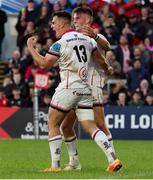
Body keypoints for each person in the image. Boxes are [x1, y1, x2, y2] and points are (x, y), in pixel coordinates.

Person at [27, 11, 121, 172]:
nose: (52, 26)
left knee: (53, 123)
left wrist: (30, 47)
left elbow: (43, 64)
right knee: (90, 126)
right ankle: (113, 159)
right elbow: (100, 60)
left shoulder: (60, 43)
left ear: (63, 24)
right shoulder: (88, 40)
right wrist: (108, 68)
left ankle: (55, 165)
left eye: (54, 22)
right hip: (85, 89)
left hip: (69, 87)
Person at [60, 7, 122, 172]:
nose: (75, 21)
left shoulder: (95, 36)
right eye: (74, 18)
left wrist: (94, 35)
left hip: (92, 87)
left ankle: (113, 158)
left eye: (78, 17)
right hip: (75, 87)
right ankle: (74, 162)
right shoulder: (73, 38)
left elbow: (107, 46)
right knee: (66, 126)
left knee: (99, 123)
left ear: (88, 19)